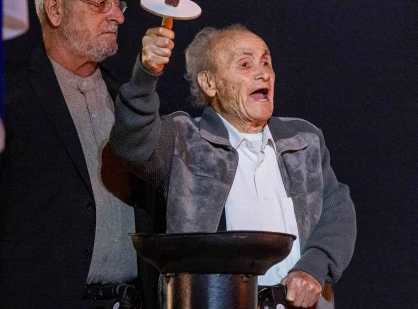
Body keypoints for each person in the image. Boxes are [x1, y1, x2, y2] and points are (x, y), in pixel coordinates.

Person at [111, 24, 356, 309]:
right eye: (245, 64)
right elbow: (132, 143)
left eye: (266, 62)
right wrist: (146, 74)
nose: (263, 72)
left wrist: (312, 267)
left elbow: (337, 209)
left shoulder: (303, 139)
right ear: (209, 83)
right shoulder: (183, 138)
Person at [0, 0, 151, 308]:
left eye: (117, 3)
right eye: (101, 3)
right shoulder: (4, 98)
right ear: (55, 10)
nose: (117, 16)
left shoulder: (127, 101)